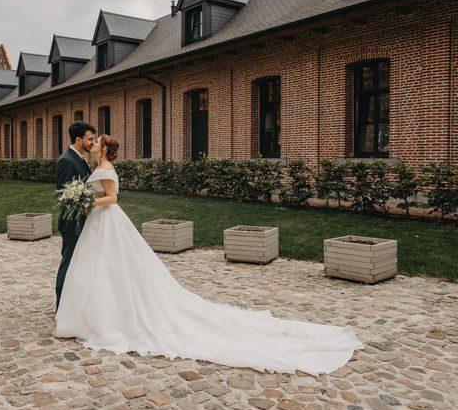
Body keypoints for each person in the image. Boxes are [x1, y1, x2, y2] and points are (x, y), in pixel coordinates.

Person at [55, 134, 364, 375]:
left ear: (104, 150)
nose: (92, 144)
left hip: (106, 220)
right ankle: (96, 314)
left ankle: (109, 319)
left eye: (96, 142)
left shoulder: (105, 169)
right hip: (101, 223)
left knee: (109, 267)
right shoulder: (98, 166)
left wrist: (86, 203)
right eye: (92, 141)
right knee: (101, 269)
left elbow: (112, 197)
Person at [54, 121, 96, 312]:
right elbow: (63, 195)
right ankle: (61, 307)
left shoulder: (80, 159)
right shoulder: (66, 160)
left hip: (84, 221)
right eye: (90, 139)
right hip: (72, 224)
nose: (92, 142)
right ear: (78, 139)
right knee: (68, 263)